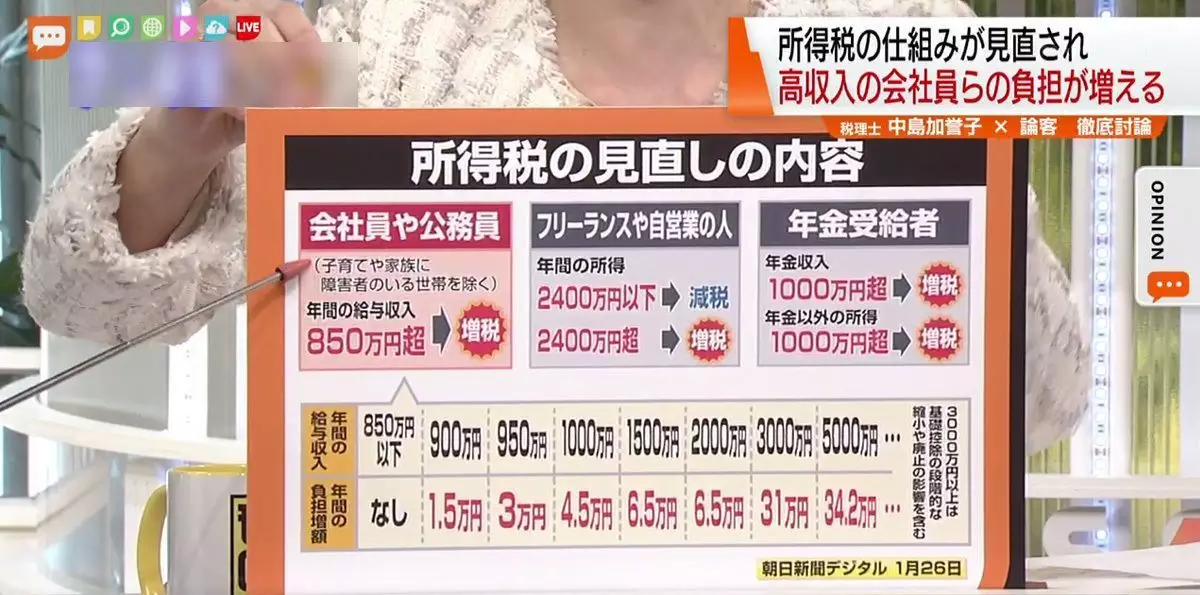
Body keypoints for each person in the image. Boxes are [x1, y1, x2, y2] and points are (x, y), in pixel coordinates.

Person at [22, 0, 1089, 454]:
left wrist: (954, 188)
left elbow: (1044, 398)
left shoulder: (895, 34)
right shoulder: (391, 46)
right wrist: (182, 138)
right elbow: (72, 298)